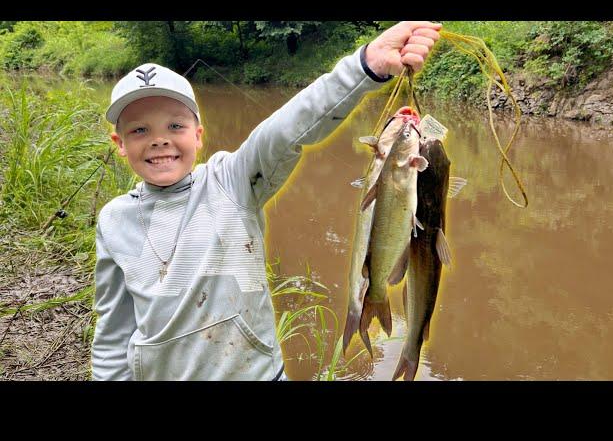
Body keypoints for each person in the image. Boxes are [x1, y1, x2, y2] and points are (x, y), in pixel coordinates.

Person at [91, 21, 442, 381]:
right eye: (139, 130)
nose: (159, 140)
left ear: (198, 136)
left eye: (175, 126)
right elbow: (113, 333)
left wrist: (366, 66)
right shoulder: (114, 220)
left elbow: (287, 126)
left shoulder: (234, 180)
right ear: (119, 144)